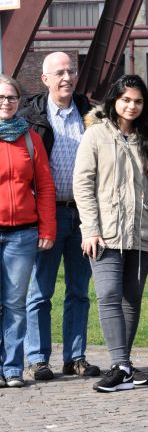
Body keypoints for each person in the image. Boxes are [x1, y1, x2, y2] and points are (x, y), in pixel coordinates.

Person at [73, 74, 148, 393]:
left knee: (132, 298)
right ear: (114, 100)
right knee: (108, 295)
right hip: (105, 234)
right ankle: (120, 365)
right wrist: (90, 228)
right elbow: (83, 184)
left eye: (138, 101)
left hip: (142, 232)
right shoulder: (96, 135)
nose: (131, 106)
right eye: (126, 99)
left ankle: (124, 366)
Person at [19, 52, 100, 382]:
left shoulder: (91, 114)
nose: (67, 78)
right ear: (45, 80)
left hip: (84, 216)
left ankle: (75, 357)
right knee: (40, 291)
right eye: (60, 73)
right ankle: (37, 358)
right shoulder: (30, 117)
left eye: (71, 71)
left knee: (79, 290)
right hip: (47, 216)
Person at [0, 74, 56, 388]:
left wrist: (47, 228)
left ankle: (11, 368)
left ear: (19, 102)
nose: (6, 103)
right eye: (1, 98)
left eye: (11, 97)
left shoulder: (30, 139)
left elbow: (45, 187)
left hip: (22, 234)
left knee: (15, 304)